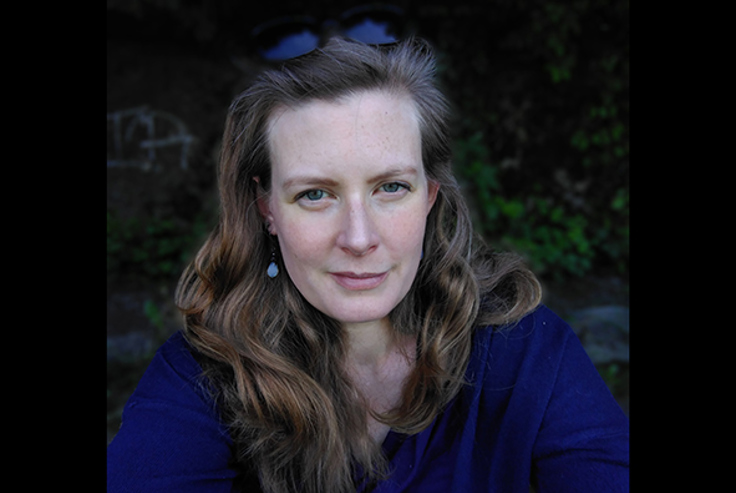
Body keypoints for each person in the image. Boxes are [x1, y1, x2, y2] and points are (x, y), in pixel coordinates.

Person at [107, 37, 629, 493]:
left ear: (430, 195)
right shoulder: (201, 379)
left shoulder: (524, 351)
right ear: (267, 209)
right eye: (315, 194)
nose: (359, 238)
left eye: (391, 187)